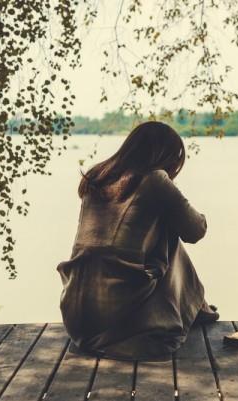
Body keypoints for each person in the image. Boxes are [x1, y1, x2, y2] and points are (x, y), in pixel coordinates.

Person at [56, 120, 219, 361]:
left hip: (78, 314)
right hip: (119, 315)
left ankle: (198, 307)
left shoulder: (96, 176)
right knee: (169, 232)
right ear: (165, 156)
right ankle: (197, 308)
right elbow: (195, 230)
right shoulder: (154, 179)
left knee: (156, 227)